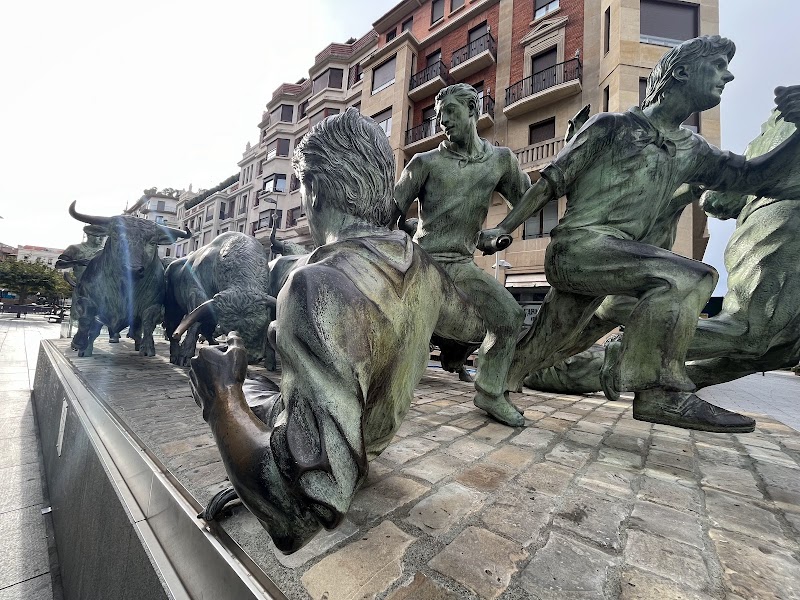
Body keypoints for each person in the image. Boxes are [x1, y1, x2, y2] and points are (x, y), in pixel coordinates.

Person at [188, 109, 486, 554]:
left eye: (302, 190)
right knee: (260, 383)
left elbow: (299, 512)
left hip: (338, 454)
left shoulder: (314, 284)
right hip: (372, 438)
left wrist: (221, 397)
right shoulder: (423, 266)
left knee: (238, 382)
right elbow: (472, 327)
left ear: (316, 189)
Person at [477, 36, 800, 432]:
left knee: (548, 342)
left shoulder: (693, 150)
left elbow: (753, 177)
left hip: (612, 257)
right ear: (681, 72)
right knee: (690, 277)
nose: (728, 76)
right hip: (577, 248)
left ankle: (491, 385)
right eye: (718, 66)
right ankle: (658, 390)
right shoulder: (611, 126)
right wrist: (503, 227)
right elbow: (549, 184)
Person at [395, 83, 531, 427]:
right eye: (439, 116)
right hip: (422, 263)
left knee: (510, 316)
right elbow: (388, 213)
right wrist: (404, 230)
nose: (442, 121)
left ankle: (490, 391)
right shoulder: (423, 163)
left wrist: (501, 231)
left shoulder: (500, 161)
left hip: (460, 265)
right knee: (407, 333)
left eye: (450, 112)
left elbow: (528, 200)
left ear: (473, 110)